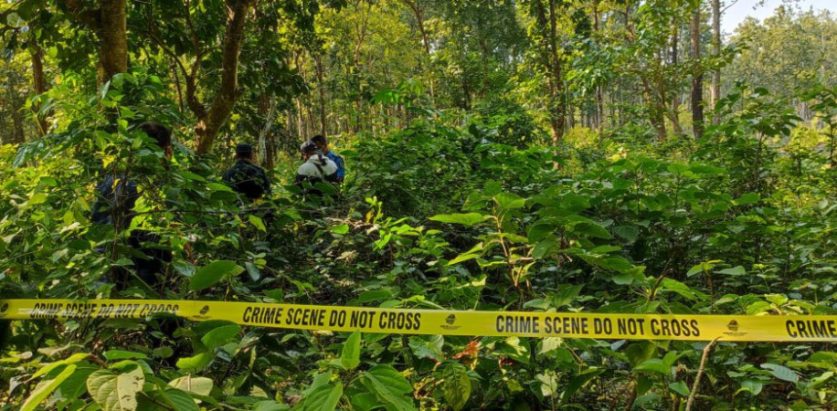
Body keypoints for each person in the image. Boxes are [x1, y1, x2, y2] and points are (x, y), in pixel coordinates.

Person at [91, 122, 173, 289]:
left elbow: (96, 224)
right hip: (141, 278)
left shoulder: (110, 180)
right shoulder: (153, 187)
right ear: (166, 151)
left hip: (104, 270)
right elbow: (157, 242)